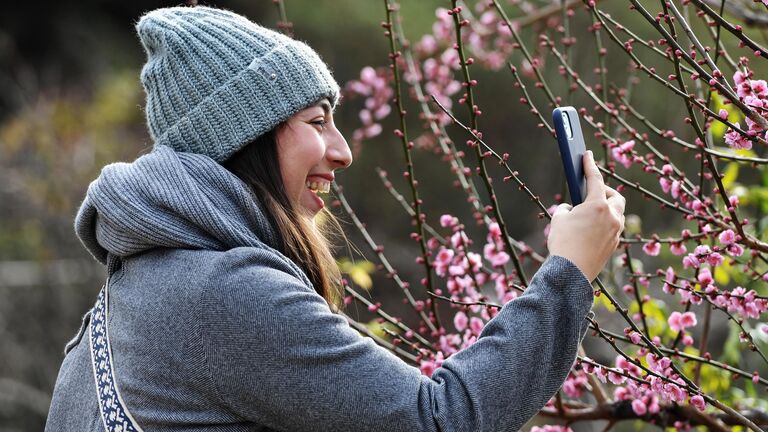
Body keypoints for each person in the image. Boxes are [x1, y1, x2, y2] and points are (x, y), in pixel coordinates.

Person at [45, 5, 625, 432]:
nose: (343, 150)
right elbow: (442, 421)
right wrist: (568, 272)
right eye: (317, 120)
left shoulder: (136, 297)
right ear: (243, 135)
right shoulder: (223, 295)